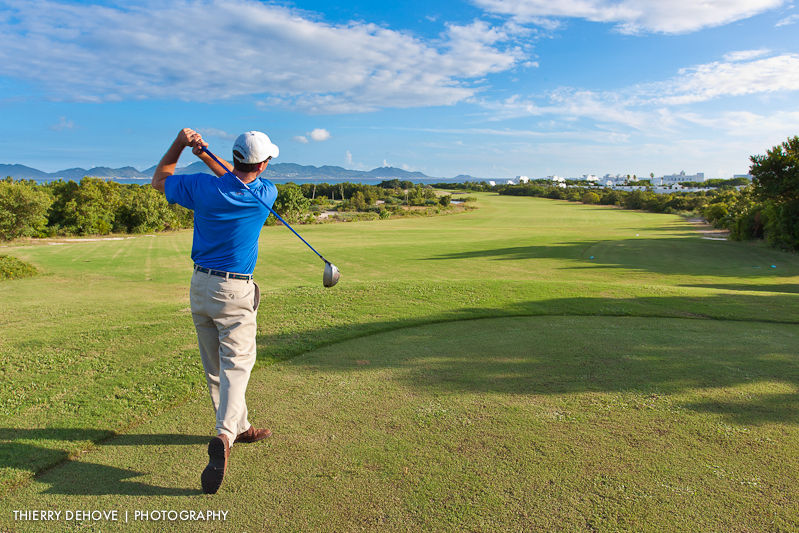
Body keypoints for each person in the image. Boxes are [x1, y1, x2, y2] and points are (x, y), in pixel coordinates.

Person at [152, 128, 279, 494]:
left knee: (215, 367)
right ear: (264, 163)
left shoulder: (202, 188)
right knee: (237, 363)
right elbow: (236, 178)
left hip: (200, 286)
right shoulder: (265, 194)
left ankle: (240, 427)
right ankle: (225, 435)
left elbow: (160, 179)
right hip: (235, 289)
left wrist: (182, 144)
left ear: (237, 156)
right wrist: (204, 154)